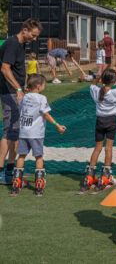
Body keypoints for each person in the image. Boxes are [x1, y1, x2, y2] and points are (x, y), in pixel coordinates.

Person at [10, 74, 66, 196]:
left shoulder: (25, 98)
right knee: (38, 157)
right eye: (44, 85)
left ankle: (16, 184)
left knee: (21, 156)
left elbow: (19, 102)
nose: (44, 87)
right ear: (38, 86)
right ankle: (39, 185)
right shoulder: (42, 98)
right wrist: (57, 125)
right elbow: (46, 114)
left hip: (24, 132)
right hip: (36, 133)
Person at [0, 18, 41, 183]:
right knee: (9, 132)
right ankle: (3, 172)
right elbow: (4, 68)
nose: (34, 39)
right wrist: (18, 88)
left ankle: (11, 170)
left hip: (15, 92)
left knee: (15, 132)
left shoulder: (21, 44)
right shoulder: (12, 43)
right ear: (25, 29)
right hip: (9, 93)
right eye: (33, 35)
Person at [80, 68, 116, 193]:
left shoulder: (97, 91)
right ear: (113, 81)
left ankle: (89, 176)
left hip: (100, 121)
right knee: (108, 148)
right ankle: (105, 176)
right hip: (111, 121)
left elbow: (92, 85)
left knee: (97, 148)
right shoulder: (115, 93)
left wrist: (98, 76)